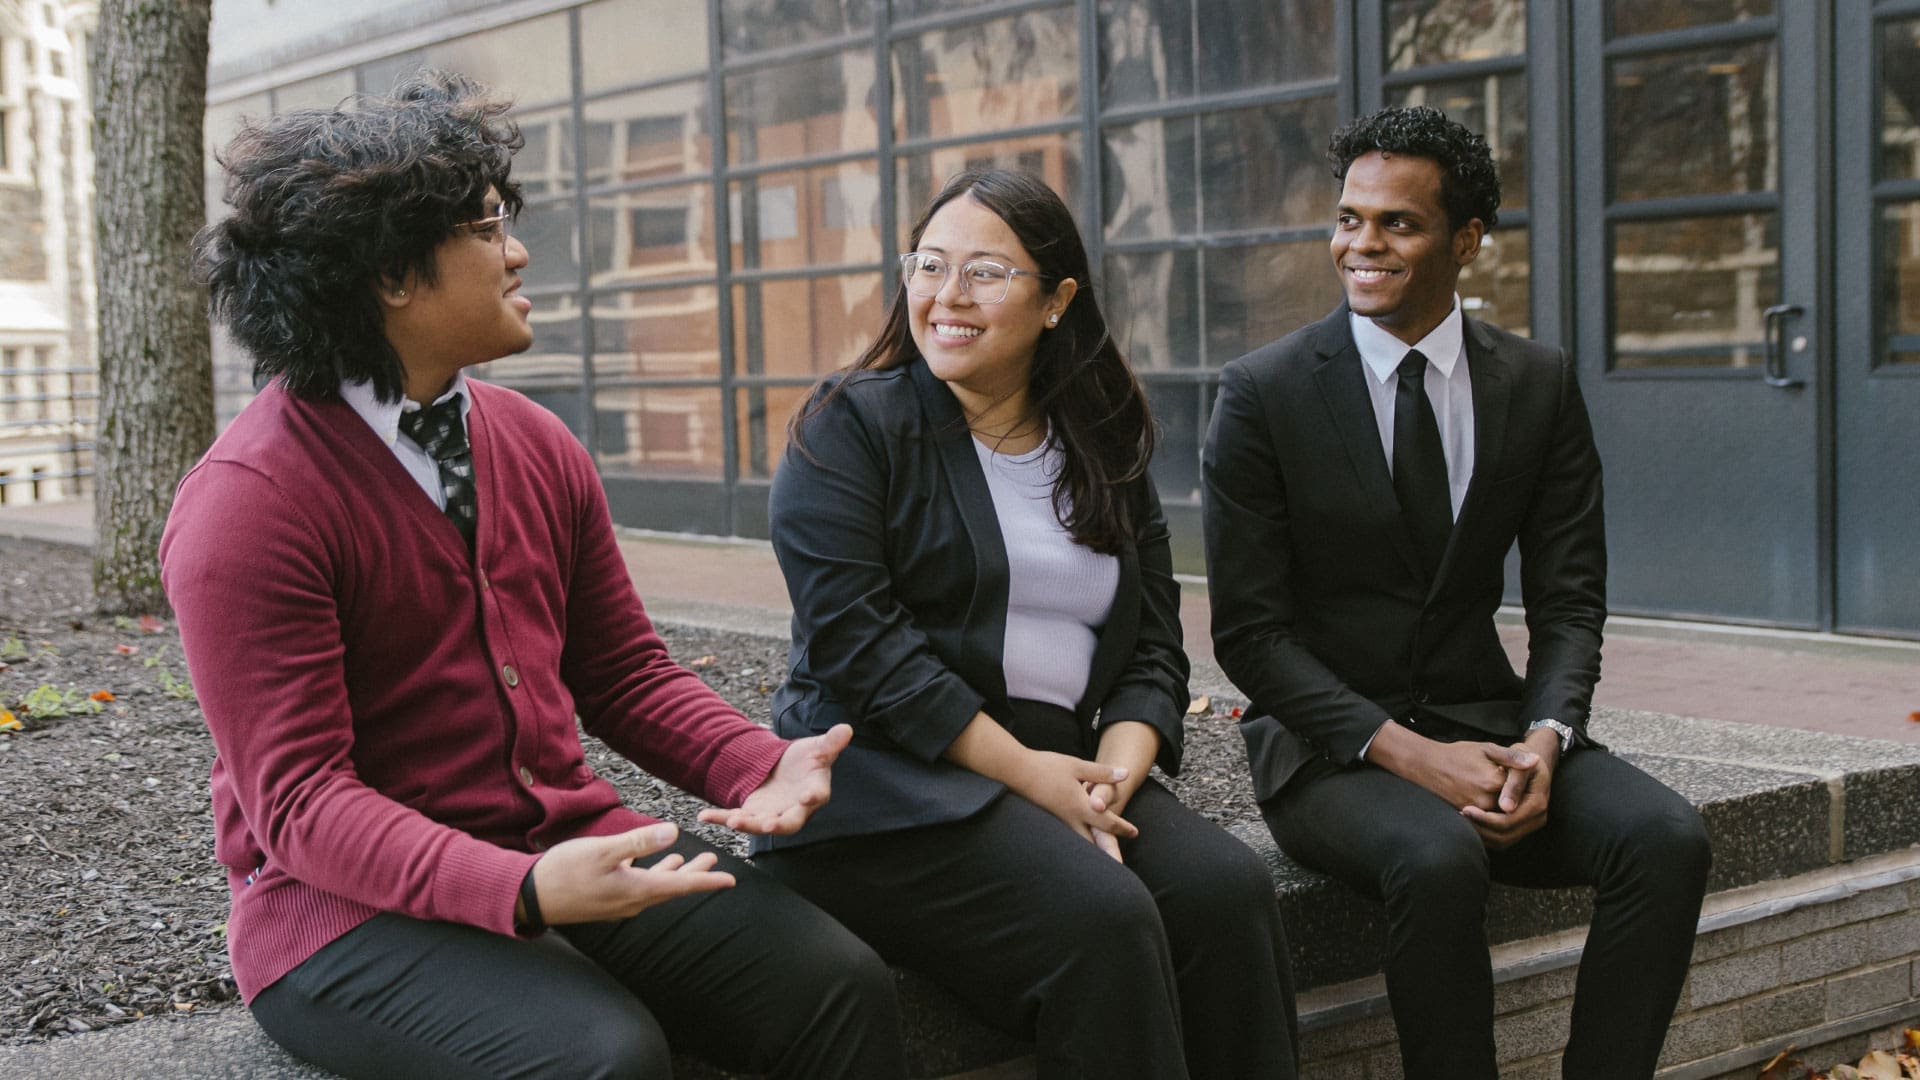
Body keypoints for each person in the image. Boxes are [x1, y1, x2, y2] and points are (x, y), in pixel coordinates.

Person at [163, 71, 904, 1079]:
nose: (516, 250)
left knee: (838, 985)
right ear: (392, 276)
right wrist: (524, 891)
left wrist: (755, 761)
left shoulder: (536, 443)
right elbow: (299, 805)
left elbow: (621, 673)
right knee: (604, 1057)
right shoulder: (249, 504)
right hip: (337, 919)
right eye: (483, 227)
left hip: (563, 847)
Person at [1202, 105, 1712, 1079]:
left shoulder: (1536, 382)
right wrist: (1415, 758)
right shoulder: (1263, 392)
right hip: (1330, 756)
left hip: (1489, 720)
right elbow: (1252, 634)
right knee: (1438, 858)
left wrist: (1545, 738)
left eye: (1398, 222)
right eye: (1350, 218)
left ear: (1466, 239)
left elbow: (1569, 599)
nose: (1362, 243)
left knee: (1666, 838)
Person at [753, 168, 1297, 1080]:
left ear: (1057, 300)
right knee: (1103, 919)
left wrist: (1111, 781)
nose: (947, 296)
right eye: (929, 265)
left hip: (1065, 767)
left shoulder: (1105, 443)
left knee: (1227, 893)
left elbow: (1155, 648)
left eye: (986, 272)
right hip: (890, 785)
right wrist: (1033, 780)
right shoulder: (850, 428)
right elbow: (863, 645)